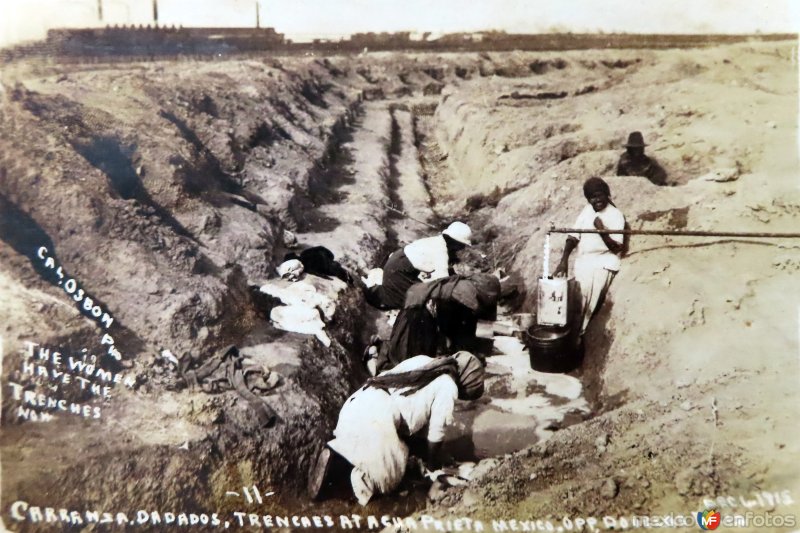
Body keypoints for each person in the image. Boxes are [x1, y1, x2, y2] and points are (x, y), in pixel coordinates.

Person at [307, 351, 484, 505]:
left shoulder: (426, 361)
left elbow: (416, 415)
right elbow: (436, 433)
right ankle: (341, 482)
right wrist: (433, 465)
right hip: (379, 415)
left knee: (357, 446)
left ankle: (333, 455)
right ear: (465, 381)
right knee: (388, 478)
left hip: (360, 401)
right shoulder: (448, 385)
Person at [375, 273, 500, 373]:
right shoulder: (467, 294)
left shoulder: (467, 287)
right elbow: (457, 326)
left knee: (422, 353)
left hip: (420, 303)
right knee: (411, 359)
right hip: (418, 310)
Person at [553, 177, 625, 336]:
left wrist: (602, 231)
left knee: (585, 304)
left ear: (607, 194)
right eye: (592, 197)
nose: (597, 200)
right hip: (583, 262)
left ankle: (576, 338)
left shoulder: (615, 215)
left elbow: (617, 248)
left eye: (600, 195)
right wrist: (563, 260)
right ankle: (566, 335)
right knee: (572, 299)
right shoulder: (587, 210)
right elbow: (573, 236)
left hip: (602, 263)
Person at [364, 222, 472, 310]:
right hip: (398, 270)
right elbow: (442, 283)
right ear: (454, 242)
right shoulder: (440, 252)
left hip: (398, 262)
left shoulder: (437, 241)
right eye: (461, 245)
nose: (461, 249)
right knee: (413, 301)